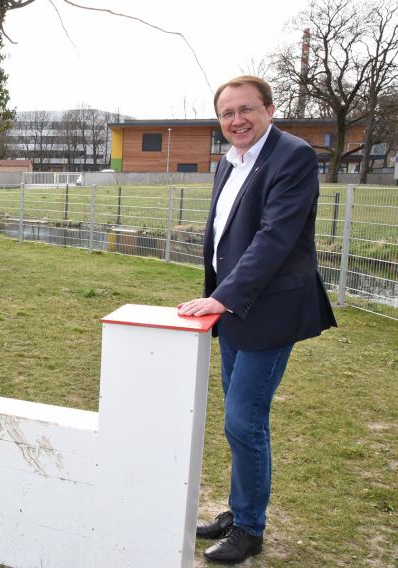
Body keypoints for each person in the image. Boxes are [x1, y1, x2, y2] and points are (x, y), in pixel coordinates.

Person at [178, 76, 337, 564]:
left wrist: (222, 298)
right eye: (227, 114)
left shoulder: (291, 156)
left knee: (244, 420)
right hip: (233, 312)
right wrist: (219, 297)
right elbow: (226, 236)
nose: (236, 120)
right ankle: (237, 511)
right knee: (238, 422)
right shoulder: (230, 163)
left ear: (270, 109)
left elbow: (274, 237)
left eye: (246, 109)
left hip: (271, 311)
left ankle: (249, 527)